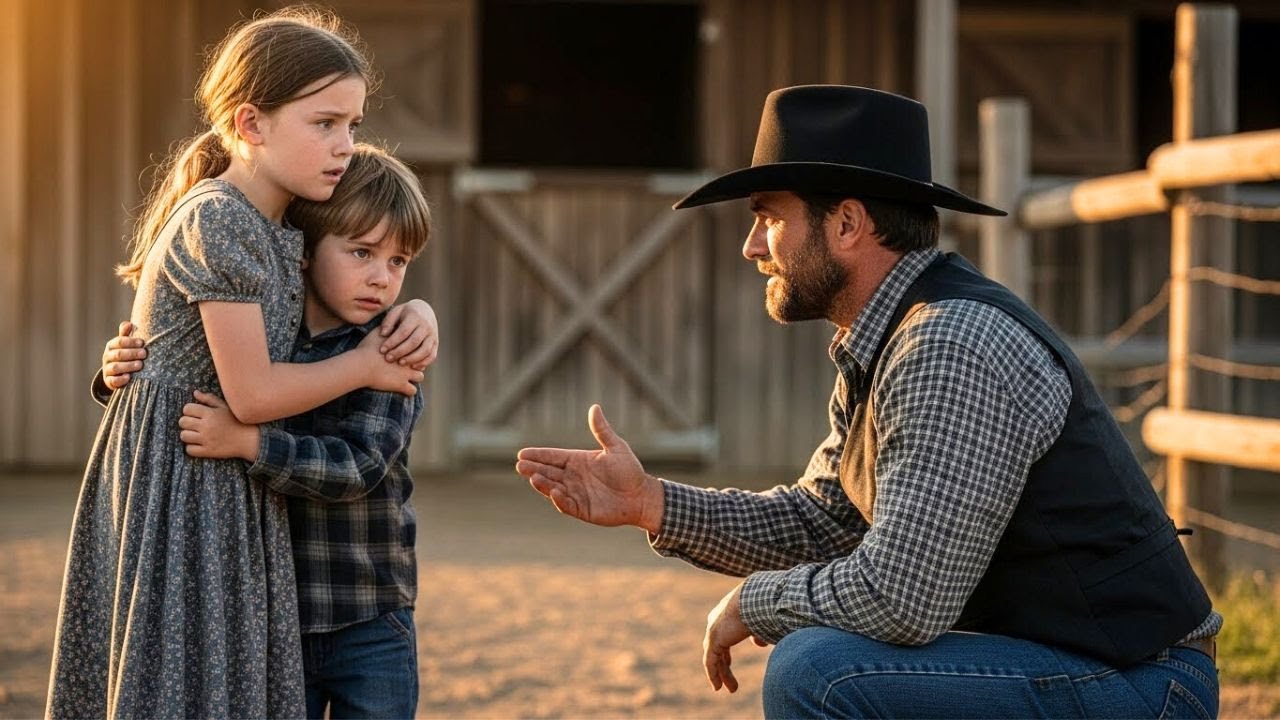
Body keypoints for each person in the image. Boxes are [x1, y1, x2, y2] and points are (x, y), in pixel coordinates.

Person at [515, 85, 1221, 719]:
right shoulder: (887, 339)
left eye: (768, 218)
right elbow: (827, 520)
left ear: (847, 224)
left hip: (1144, 686)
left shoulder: (947, 346)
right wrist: (652, 504)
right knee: (822, 659)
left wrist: (754, 602)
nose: (751, 245)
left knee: (818, 672)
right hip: (1083, 667)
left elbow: (901, 599)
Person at [46, 9, 437, 719]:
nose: (346, 145)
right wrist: (369, 364)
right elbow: (251, 394)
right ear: (250, 123)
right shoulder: (222, 218)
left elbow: (327, 287)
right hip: (187, 485)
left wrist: (418, 311)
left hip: (219, 484)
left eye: (353, 125)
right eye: (325, 124)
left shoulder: (273, 224)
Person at [98, 144, 432, 719]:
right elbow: (183, 371)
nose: (381, 278)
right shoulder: (266, 332)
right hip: (273, 617)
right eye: (361, 252)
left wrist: (251, 443)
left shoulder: (387, 351)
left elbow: (356, 467)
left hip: (369, 613)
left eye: (398, 262)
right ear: (303, 252)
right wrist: (114, 376)